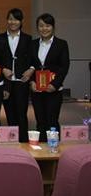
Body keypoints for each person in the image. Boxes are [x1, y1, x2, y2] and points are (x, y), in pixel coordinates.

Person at [30, 13, 70, 142]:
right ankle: (41, 148)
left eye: (47, 26)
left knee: (52, 120)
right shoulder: (33, 44)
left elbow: (64, 67)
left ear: (53, 27)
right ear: (37, 28)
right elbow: (29, 65)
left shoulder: (61, 44)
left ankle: (54, 148)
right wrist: (31, 82)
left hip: (53, 89)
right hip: (37, 89)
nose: (44, 29)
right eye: (41, 26)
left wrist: (55, 84)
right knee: (40, 121)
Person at [0, 8, 33, 142]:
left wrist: (31, 69)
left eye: (16, 19)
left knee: (21, 113)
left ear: (21, 21)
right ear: (7, 20)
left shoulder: (28, 39)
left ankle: (23, 141)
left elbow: (33, 58)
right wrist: (2, 69)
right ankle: (12, 141)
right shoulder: (0, 38)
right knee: (9, 113)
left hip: (21, 80)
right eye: (10, 19)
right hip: (6, 81)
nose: (13, 22)